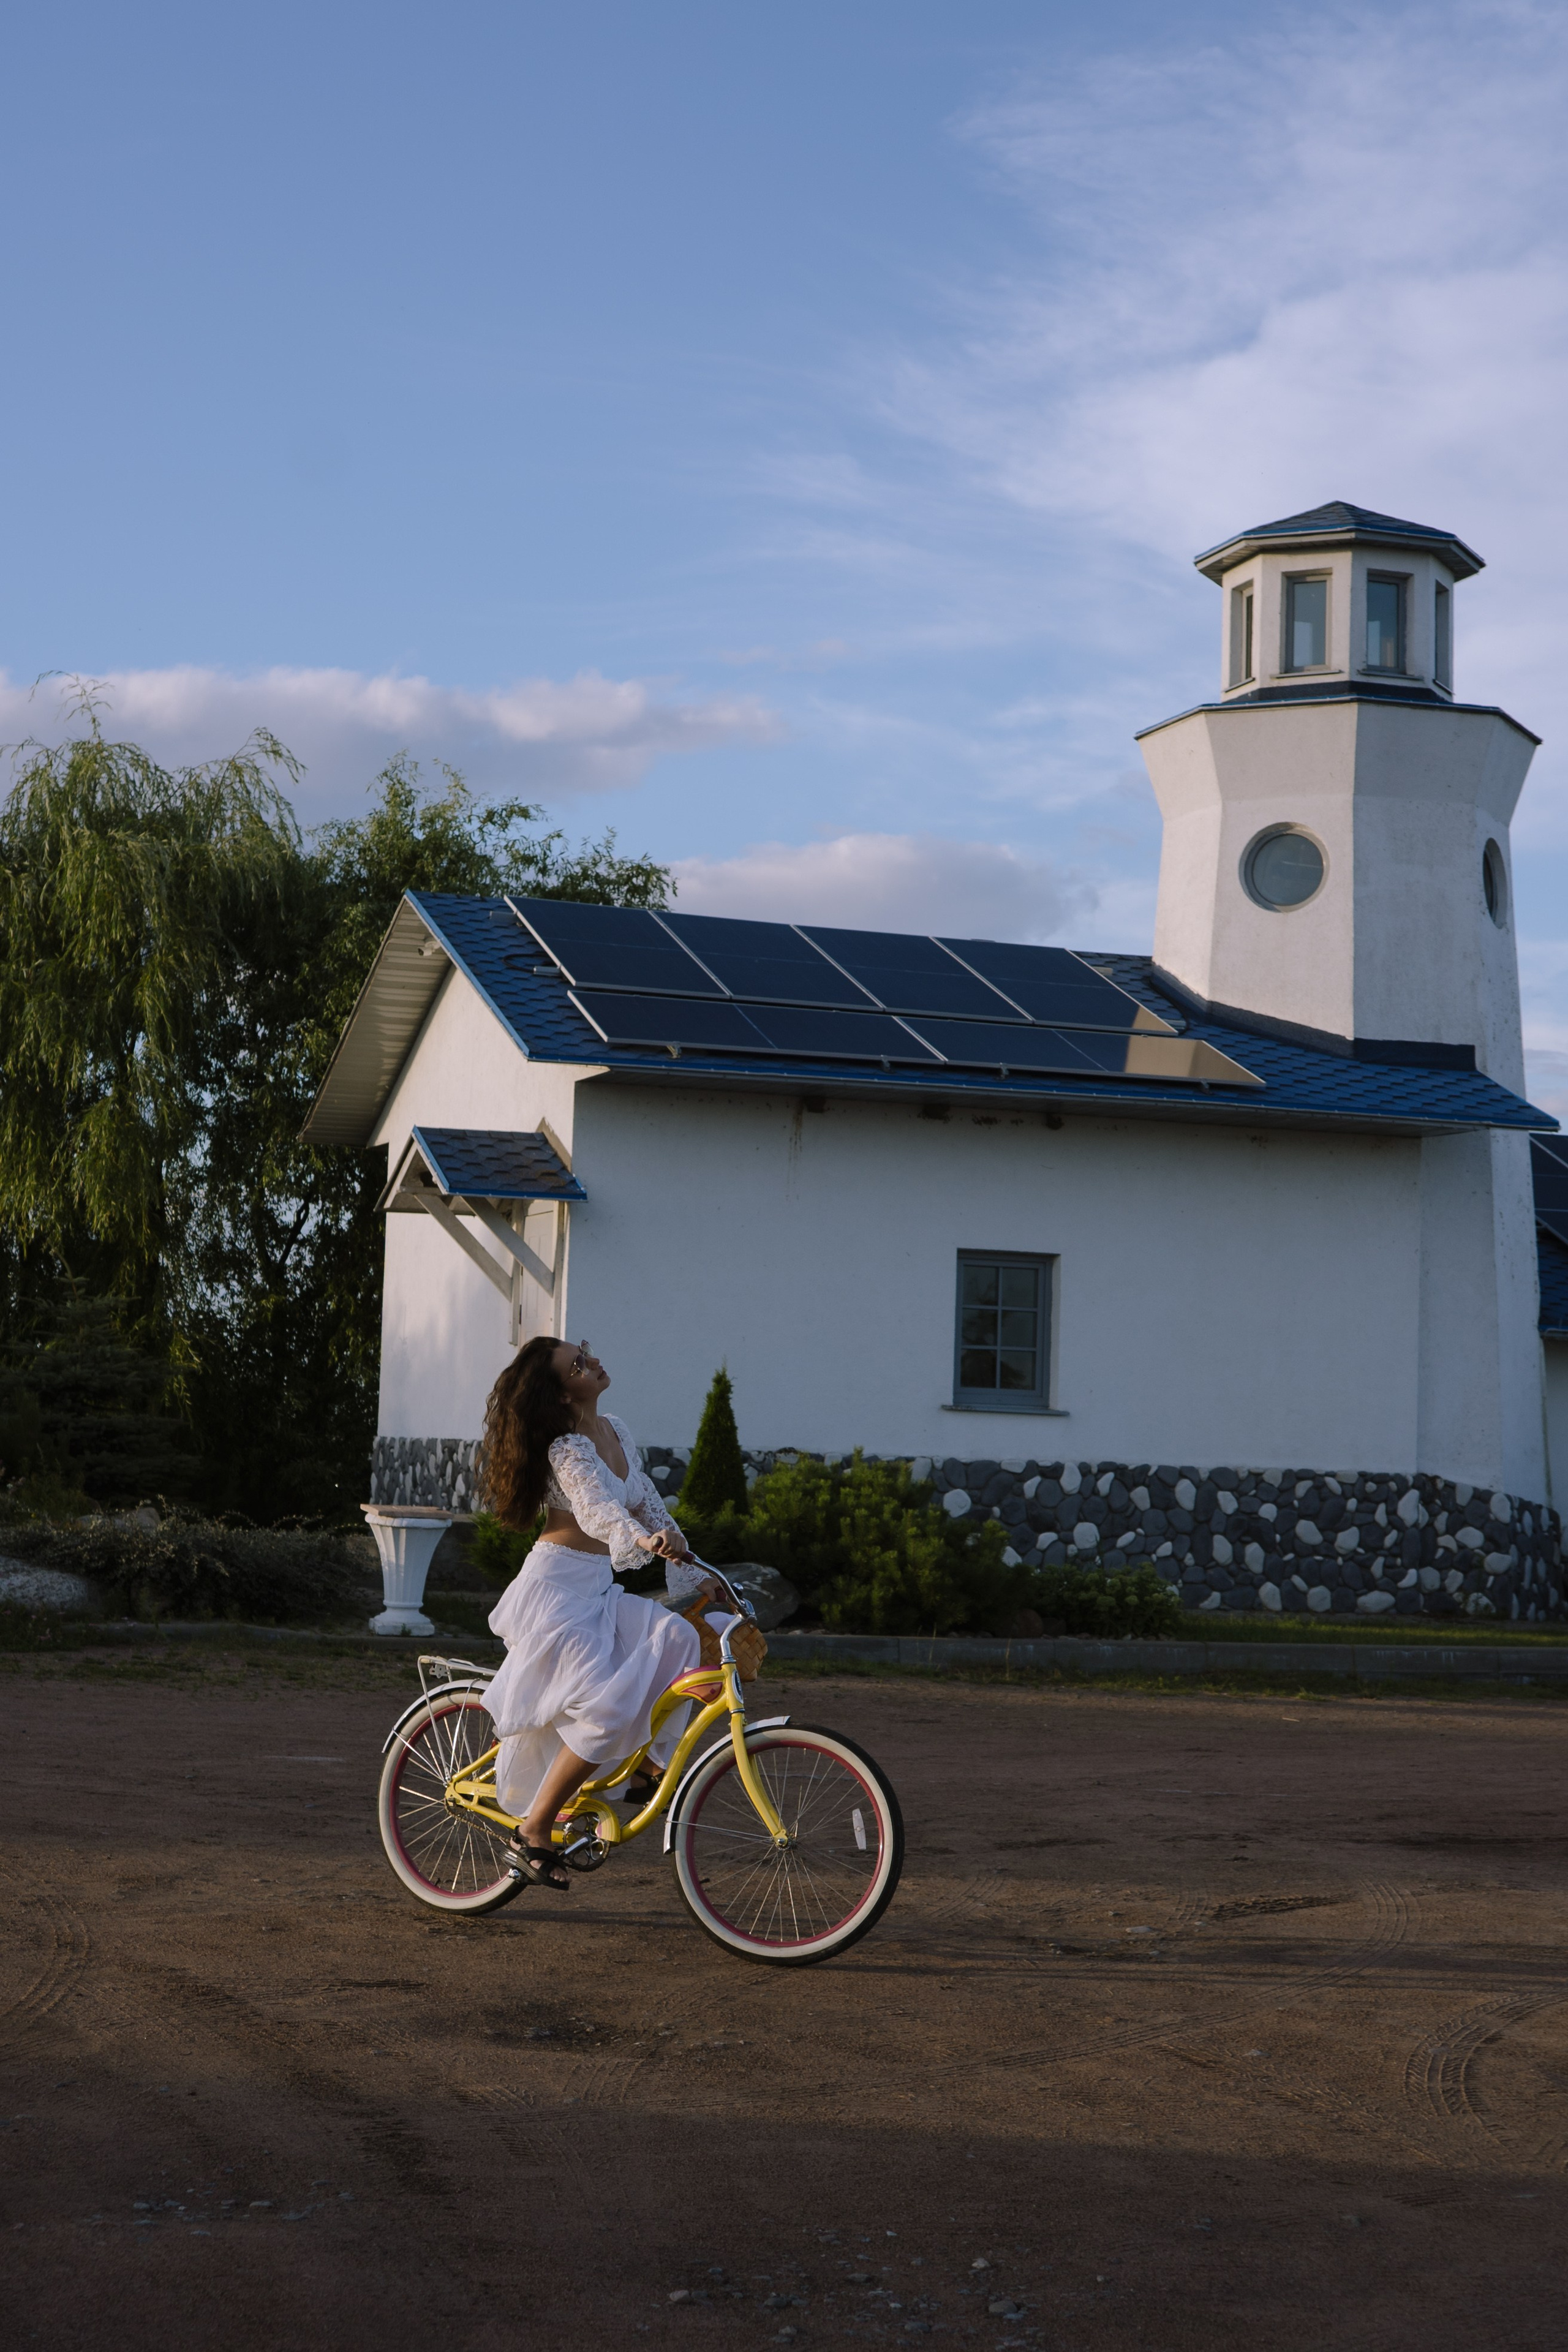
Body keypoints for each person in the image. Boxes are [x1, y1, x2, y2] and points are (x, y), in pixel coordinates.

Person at [478, 1335, 722, 1890]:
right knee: (604, 1708)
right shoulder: (566, 1448)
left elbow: (651, 1507)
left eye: (584, 1353)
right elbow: (598, 1513)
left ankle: (645, 1769)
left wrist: (697, 1571)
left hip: (595, 1589)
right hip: (556, 1590)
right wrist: (643, 1539)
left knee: (678, 1639)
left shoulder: (615, 1430)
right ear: (563, 1394)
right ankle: (533, 1830)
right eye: (578, 1364)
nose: (593, 1362)